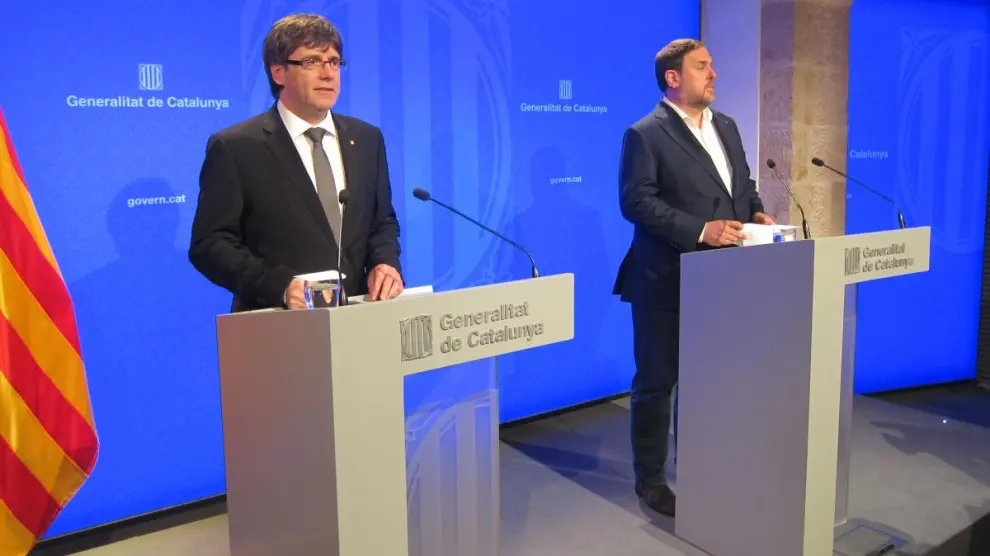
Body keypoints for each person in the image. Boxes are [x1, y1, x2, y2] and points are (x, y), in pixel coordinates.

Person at [613, 39, 773, 517]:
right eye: (703, 66)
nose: (714, 74)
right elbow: (636, 202)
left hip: (724, 280)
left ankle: (703, 468)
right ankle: (651, 480)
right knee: (657, 383)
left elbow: (742, 185)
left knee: (709, 380)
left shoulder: (726, 126)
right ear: (673, 78)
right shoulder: (645, 133)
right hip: (666, 278)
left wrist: (756, 211)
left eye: (712, 66)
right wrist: (702, 230)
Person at [189, 14, 403, 311]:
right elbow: (210, 244)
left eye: (334, 61)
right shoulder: (236, 146)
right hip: (280, 322)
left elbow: (382, 222)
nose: (328, 74)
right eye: (312, 62)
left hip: (357, 320)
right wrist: (278, 286)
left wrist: (385, 262)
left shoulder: (366, 139)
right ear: (278, 72)